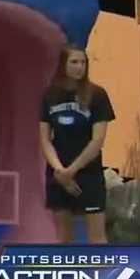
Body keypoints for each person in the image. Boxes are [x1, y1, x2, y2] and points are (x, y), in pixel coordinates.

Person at [39, 46, 115, 244]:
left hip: (88, 173)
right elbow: (45, 139)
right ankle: (66, 274)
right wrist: (60, 171)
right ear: (63, 65)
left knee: (97, 237)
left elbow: (97, 140)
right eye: (74, 62)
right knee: (63, 237)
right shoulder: (49, 96)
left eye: (83, 62)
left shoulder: (97, 95)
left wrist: (72, 170)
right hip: (58, 173)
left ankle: (102, 275)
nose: (79, 67)